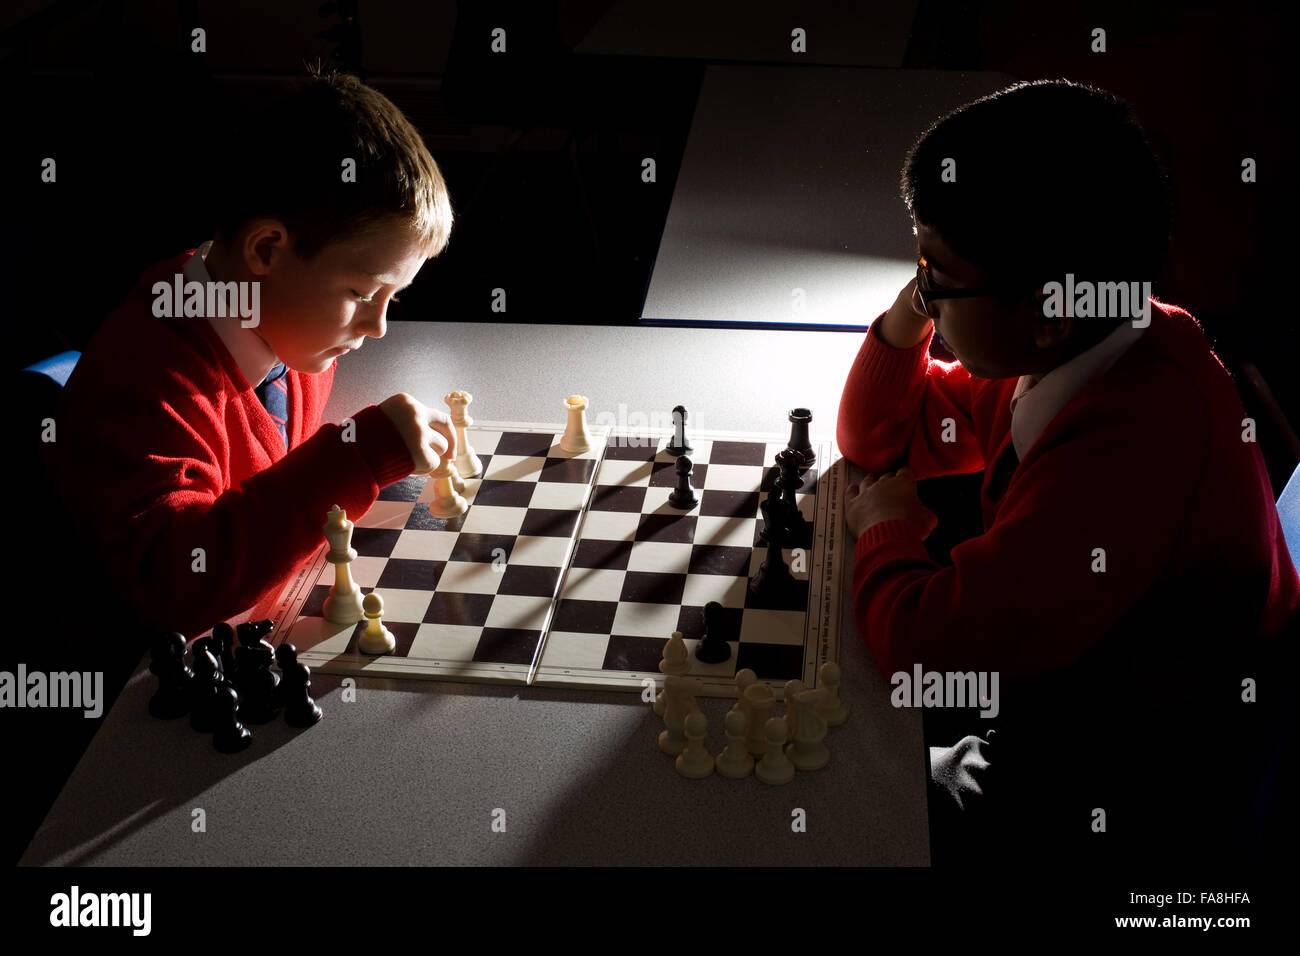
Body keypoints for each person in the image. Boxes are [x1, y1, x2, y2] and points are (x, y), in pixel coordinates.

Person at [836, 79, 1299, 867]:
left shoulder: (1127, 455)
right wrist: (917, 304)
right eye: (921, 266)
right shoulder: (1093, 338)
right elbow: (880, 435)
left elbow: (923, 647)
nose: (925, 289)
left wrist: (889, 530)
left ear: (1048, 312)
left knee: (843, 797)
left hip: (1124, 772)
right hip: (1070, 666)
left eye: (941, 276)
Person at [47, 70, 457, 638]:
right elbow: (173, 586)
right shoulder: (145, 382)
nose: (379, 326)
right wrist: (354, 460)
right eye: (363, 293)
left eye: (392, 297)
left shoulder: (284, 326)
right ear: (266, 250)